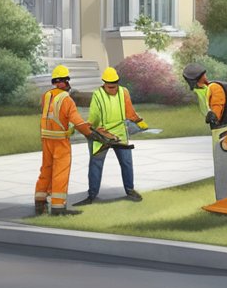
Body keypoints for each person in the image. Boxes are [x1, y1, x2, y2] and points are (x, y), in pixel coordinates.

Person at [34, 65, 101, 216]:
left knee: (46, 169)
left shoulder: (46, 96)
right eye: (67, 81)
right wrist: (90, 134)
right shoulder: (67, 100)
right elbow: (77, 121)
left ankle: (40, 203)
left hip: (46, 139)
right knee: (60, 172)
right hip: (60, 141)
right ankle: (58, 208)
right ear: (65, 81)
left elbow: (54, 117)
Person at [182, 62, 227, 201]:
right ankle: (226, 199)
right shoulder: (204, 89)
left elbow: (218, 104)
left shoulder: (214, 87)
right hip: (220, 131)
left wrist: (214, 115)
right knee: (223, 169)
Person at [75, 67, 146, 206]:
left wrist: (140, 122)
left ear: (118, 82)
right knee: (96, 164)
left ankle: (130, 190)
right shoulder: (97, 95)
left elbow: (130, 112)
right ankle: (92, 195)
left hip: (120, 134)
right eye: (109, 87)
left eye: (115, 86)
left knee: (126, 163)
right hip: (102, 135)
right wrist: (92, 131)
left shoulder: (124, 92)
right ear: (104, 83)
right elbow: (94, 117)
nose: (112, 89)